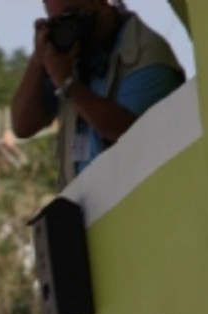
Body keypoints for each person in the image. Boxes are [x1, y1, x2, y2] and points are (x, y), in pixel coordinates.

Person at [10, 0, 185, 187]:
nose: (68, 28)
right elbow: (23, 125)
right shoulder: (72, 55)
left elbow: (133, 138)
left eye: (72, 16)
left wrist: (68, 84)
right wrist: (39, 58)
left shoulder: (144, 54)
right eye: (58, 21)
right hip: (87, 206)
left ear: (101, 5)